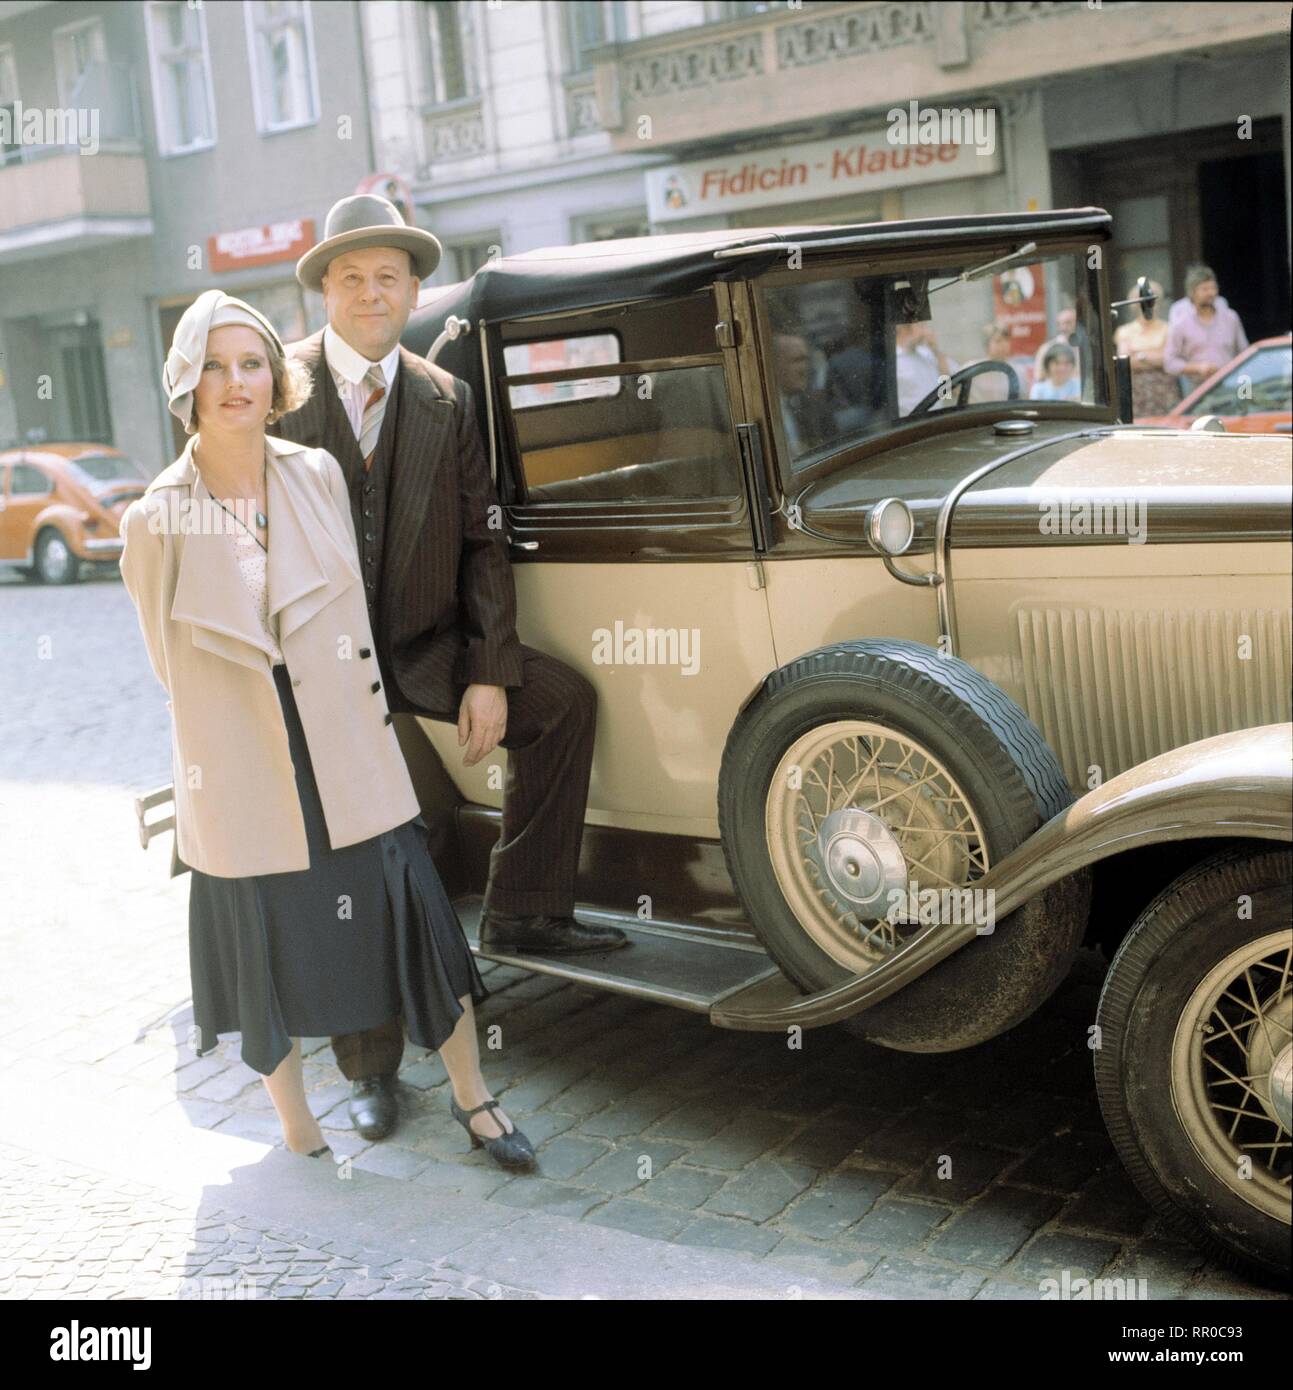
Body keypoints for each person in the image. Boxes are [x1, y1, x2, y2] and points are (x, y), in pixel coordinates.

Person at [117, 291, 536, 1172]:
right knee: (267, 940)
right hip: (243, 765)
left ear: (277, 378)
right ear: (186, 383)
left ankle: (475, 1098)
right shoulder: (156, 518)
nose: (237, 382)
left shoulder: (314, 474)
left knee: (415, 918)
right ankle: (300, 1131)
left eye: (253, 363)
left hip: (345, 742)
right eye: (216, 365)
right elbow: (169, 662)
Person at [270, 193, 621, 1143]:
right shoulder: (278, 388)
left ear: (414, 288)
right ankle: (371, 1067)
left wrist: (488, 671)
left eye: (389, 276)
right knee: (357, 847)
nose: (371, 292)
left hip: (422, 646)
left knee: (562, 701)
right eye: (351, 277)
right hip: (315, 664)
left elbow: (480, 541)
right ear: (326, 291)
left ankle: (526, 908)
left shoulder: (440, 393)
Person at [1164, 264, 1248, 399]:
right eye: (1204, 289)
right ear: (1192, 292)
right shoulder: (1181, 323)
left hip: (1229, 386)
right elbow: (1170, 363)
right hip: (1197, 391)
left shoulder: (1230, 317)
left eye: (1213, 288)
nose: (1211, 293)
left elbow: (1244, 353)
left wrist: (1245, 392)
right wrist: (1198, 368)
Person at [1113, 278, 1179, 417]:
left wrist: (1139, 355)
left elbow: (1167, 359)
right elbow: (1126, 362)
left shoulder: (1168, 329)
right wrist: (1153, 356)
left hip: (1164, 393)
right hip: (1135, 393)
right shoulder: (1124, 331)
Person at [772, 330, 836, 456]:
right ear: (774, 365)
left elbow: (834, 448)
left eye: (806, 360)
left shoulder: (816, 406)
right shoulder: (761, 411)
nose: (804, 368)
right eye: (796, 360)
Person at [895, 321, 958, 415]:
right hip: (910, 423)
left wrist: (936, 351)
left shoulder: (928, 354)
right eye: (921, 326)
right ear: (904, 329)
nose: (927, 331)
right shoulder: (894, 361)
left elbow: (948, 391)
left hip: (936, 420)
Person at [967, 322, 1016, 404]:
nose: (1004, 345)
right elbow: (949, 388)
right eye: (998, 341)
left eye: (1006, 340)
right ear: (987, 345)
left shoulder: (1017, 370)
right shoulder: (973, 369)